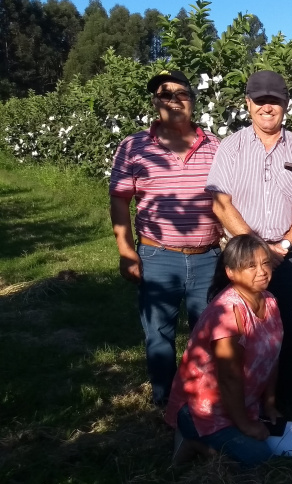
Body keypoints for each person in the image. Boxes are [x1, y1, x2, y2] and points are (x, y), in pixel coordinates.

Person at [206, 70, 292, 412]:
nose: (267, 107)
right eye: (260, 101)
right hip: (241, 256)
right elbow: (221, 202)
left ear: (285, 106)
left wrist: (286, 244)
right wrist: (256, 249)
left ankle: (285, 403)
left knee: (290, 328)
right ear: (248, 105)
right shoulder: (231, 147)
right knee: (236, 329)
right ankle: (233, 402)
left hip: (289, 255)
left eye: (274, 101)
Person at [109, 69, 222, 406]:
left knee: (208, 333)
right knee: (158, 333)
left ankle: (202, 399)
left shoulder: (215, 145)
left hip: (208, 256)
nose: (174, 101)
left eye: (181, 94)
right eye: (165, 95)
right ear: (155, 102)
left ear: (193, 99)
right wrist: (126, 252)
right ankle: (165, 401)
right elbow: (119, 199)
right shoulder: (133, 146)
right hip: (159, 255)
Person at [165, 234, 283, 468]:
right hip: (203, 410)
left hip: (243, 404)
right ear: (230, 272)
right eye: (251, 266)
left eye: (265, 263)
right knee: (260, 459)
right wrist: (247, 426)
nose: (262, 271)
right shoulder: (228, 312)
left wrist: (269, 404)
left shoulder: (269, 302)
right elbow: (229, 377)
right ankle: (194, 442)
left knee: (277, 445)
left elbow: (272, 357)